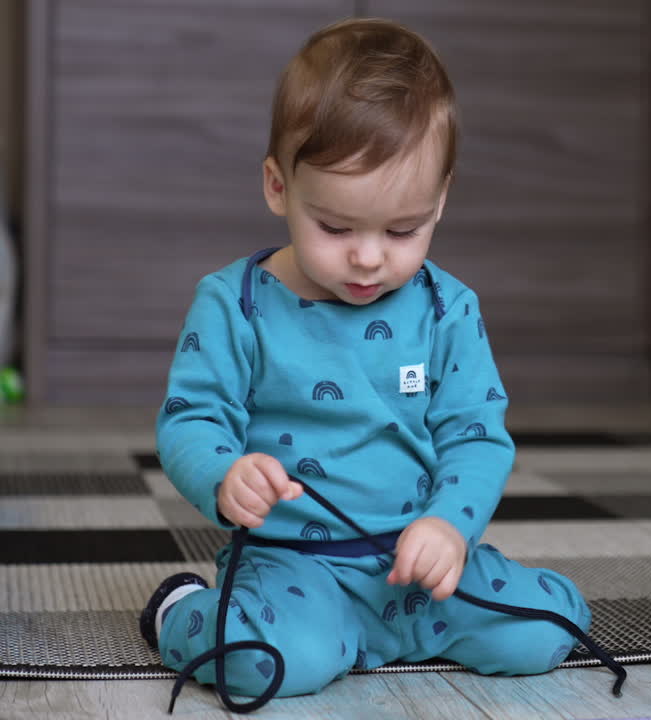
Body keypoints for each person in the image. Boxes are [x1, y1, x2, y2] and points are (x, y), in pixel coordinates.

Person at [141, 17, 592, 703]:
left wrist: (450, 526)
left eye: (404, 229)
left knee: (550, 630)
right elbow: (189, 419)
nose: (370, 257)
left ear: (440, 200)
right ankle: (180, 610)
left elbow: (476, 434)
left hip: (419, 566)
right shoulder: (233, 303)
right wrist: (224, 473)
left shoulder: (450, 309)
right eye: (336, 227)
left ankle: (397, 626)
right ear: (277, 186)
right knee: (266, 664)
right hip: (295, 568)